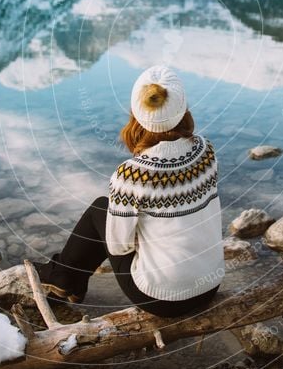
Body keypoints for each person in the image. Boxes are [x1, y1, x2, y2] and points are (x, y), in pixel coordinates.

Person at [34, 64, 225, 318]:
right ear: (183, 109)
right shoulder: (205, 150)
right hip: (209, 285)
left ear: (136, 112)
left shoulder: (132, 174)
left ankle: (63, 276)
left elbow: (117, 246)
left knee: (100, 210)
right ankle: (67, 279)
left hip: (160, 299)